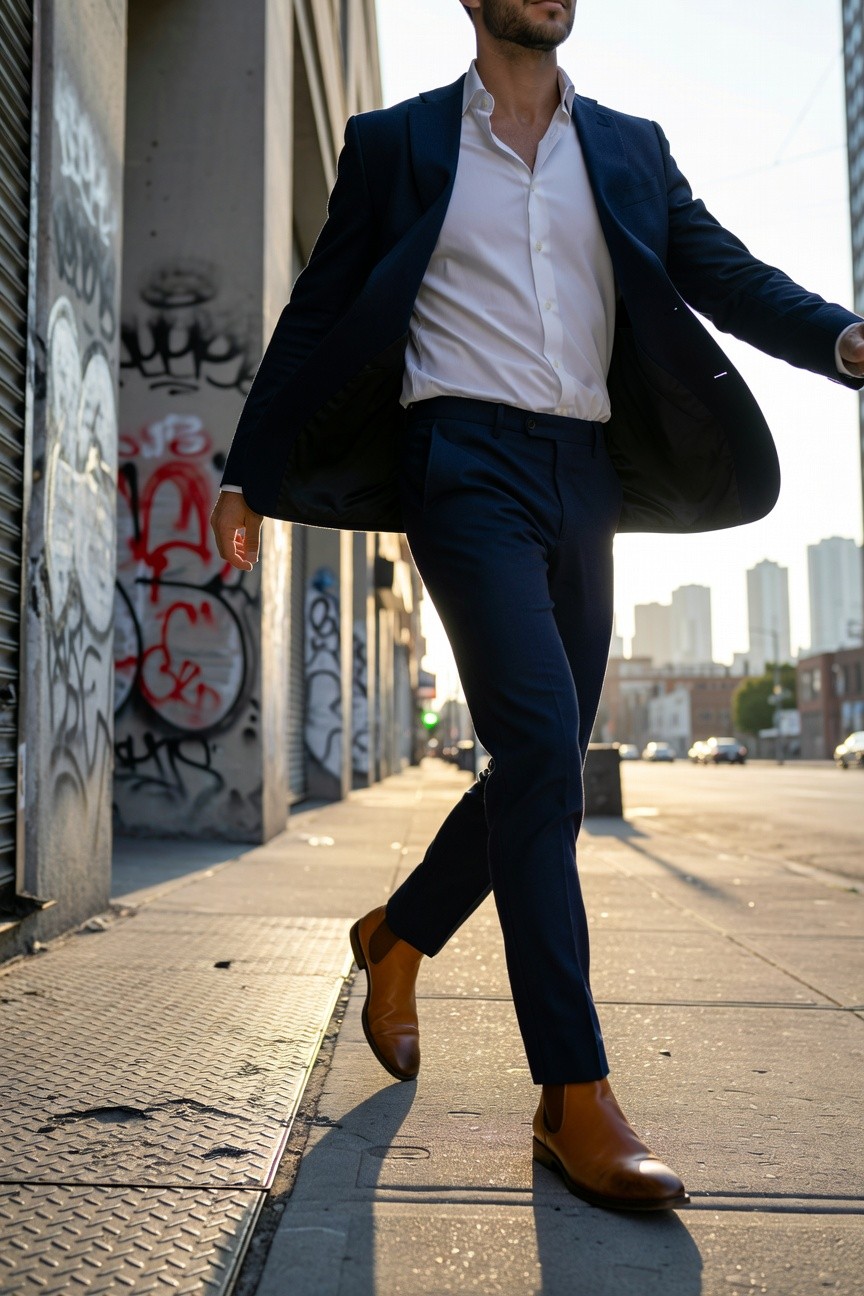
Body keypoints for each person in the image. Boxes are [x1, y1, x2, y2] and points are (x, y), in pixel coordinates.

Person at [211, 0, 864, 1211]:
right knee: (543, 758)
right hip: (457, 466)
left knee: (544, 764)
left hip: (584, 478)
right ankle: (573, 1096)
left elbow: (724, 274)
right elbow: (319, 305)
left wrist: (839, 337)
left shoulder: (628, 147)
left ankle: (397, 938)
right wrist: (248, 469)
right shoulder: (399, 141)